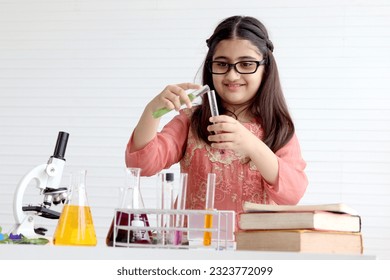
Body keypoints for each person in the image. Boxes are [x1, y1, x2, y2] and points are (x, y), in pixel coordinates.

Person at [125, 16, 308, 216]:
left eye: (246, 64)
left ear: (266, 69)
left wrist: (251, 144)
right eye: (222, 64)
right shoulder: (191, 120)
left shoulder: (278, 127)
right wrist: (152, 111)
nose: (232, 76)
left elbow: (293, 193)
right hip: (195, 244)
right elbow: (141, 166)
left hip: (256, 245)